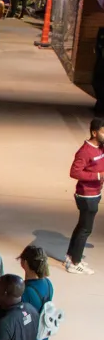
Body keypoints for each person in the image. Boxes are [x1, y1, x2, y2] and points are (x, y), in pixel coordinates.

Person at [65, 117, 104, 275]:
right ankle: (76, 262)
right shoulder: (84, 151)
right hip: (86, 195)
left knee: (81, 227)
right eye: (103, 132)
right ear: (94, 133)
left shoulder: (101, 148)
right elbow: (74, 172)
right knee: (85, 229)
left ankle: (71, 256)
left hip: (95, 192)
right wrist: (97, 176)